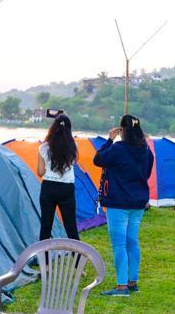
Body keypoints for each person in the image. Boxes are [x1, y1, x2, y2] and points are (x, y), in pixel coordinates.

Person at [94, 114, 155, 296]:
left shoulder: (118, 149)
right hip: (138, 203)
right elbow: (147, 172)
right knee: (132, 241)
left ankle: (121, 287)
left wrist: (109, 140)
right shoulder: (146, 151)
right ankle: (132, 282)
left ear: (122, 131)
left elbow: (98, 160)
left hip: (118, 203)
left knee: (119, 244)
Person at [37, 113, 79, 240]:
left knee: (46, 225)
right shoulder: (74, 146)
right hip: (67, 188)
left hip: (48, 187)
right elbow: (74, 162)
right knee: (71, 225)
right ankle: (78, 258)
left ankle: (43, 258)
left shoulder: (43, 147)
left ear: (53, 128)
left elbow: (40, 172)